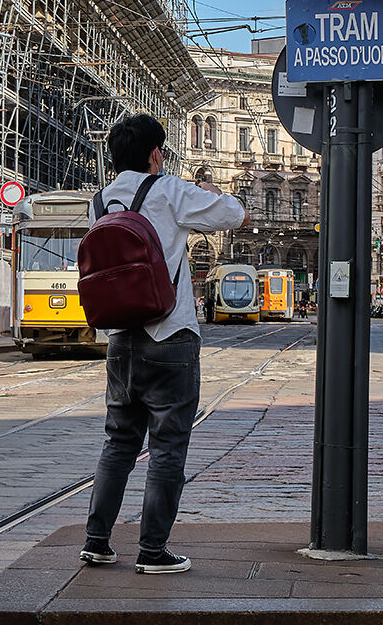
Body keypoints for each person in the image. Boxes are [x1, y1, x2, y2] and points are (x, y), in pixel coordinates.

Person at [80, 114, 248, 575]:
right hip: (169, 333)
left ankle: (97, 541)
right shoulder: (169, 190)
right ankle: (152, 550)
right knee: (168, 446)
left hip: (121, 340)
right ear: (156, 154)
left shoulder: (98, 202)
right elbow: (234, 214)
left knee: (118, 442)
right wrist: (217, 193)